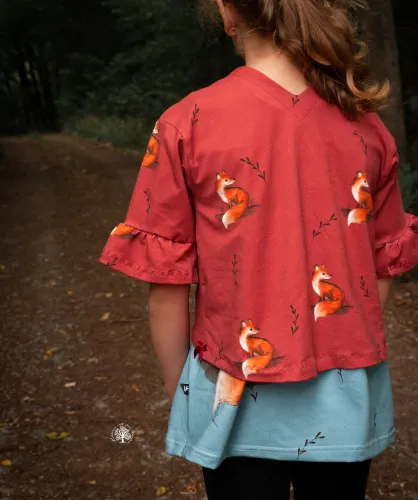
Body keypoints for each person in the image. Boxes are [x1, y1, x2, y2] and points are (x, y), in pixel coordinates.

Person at [99, 0, 418, 498]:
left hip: (232, 396)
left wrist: (187, 397)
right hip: (346, 399)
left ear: (228, 12)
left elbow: (166, 292)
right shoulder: (367, 126)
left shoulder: (187, 123)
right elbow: (383, 266)